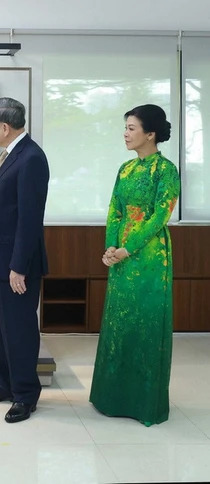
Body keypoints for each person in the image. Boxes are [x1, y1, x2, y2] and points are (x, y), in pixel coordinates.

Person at [90, 104, 180, 426]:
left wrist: (128, 247)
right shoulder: (125, 170)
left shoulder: (165, 170)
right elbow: (115, 209)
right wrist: (111, 246)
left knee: (146, 324)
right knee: (119, 322)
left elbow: (160, 216)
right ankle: (112, 398)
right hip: (122, 257)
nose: (125, 134)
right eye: (125, 128)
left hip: (150, 256)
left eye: (131, 128)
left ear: (150, 133)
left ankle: (145, 403)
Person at [0, 97, 50, 424]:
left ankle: (24, 395)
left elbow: (29, 219)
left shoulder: (31, 158)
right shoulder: (9, 155)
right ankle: (4, 384)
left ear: (5, 127)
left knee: (18, 331)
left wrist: (18, 266)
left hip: (15, 266)